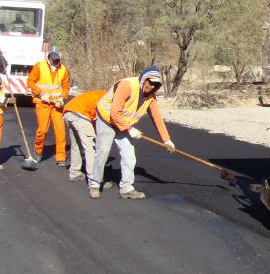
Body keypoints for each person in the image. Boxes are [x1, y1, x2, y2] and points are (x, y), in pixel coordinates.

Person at [89, 66, 175, 200]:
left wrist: (166, 140)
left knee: (129, 155)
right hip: (107, 119)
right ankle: (94, 184)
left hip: (123, 124)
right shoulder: (127, 85)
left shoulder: (151, 98)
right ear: (144, 79)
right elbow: (115, 112)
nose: (152, 86)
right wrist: (130, 129)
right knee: (103, 152)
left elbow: (157, 118)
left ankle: (126, 188)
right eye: (150, 82)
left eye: (156, 84)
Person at [27, 51, 70, 168]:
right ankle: (38, 152)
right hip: (43, 103)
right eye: (54, 61)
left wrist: (62, 97)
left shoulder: (63, 69)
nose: (56, 63)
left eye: (58, 61)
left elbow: (66, 86)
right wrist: (40, 93)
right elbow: (30, 82)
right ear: (49, 60)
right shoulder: (39, 66)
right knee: (43, 130)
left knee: (60, 131)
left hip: (56, 104)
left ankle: (61, 157)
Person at [62, 89, 106, 182]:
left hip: (68, 112)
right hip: (81, 114)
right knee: (91, 147)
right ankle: (95, 179)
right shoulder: (107, 98)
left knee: (76, 145)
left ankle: (74, 172)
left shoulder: (101, 93)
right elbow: (99, 118)